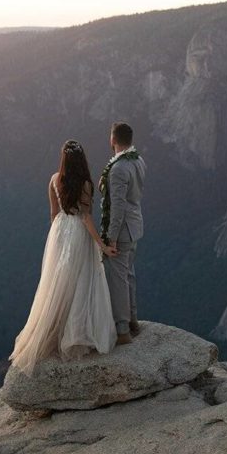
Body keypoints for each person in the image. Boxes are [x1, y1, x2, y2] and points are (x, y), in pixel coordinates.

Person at [8, 139, 119, 375]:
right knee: (81, 281)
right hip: (78, 232)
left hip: (59, 231)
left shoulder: (54, 179)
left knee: (57, 283)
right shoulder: (86, 184)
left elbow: (53, 213)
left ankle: (52, 331)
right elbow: (86, 217)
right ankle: (75, 334)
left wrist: (57, 240)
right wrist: (101, 245)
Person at [99, 121, 146, 345]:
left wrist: (111, 237)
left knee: (117, 279)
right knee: (129, 275)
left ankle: (122, 329)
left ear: (113, 139)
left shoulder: (117, 169)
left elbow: (117, 207)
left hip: (123, 230)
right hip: (136, 226)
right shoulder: (139, 161)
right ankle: (134, 319)